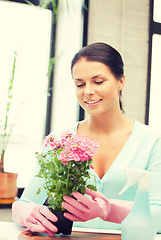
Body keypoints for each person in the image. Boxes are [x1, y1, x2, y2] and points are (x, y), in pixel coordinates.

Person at [12, 42, 161, 236]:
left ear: (121, 81)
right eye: (80, 84)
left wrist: (108, 210)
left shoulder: (152, 142)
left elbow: (158, 216)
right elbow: (23, 204)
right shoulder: (59, 141)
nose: (88, 91)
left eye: (98, 82)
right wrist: (27, 213)